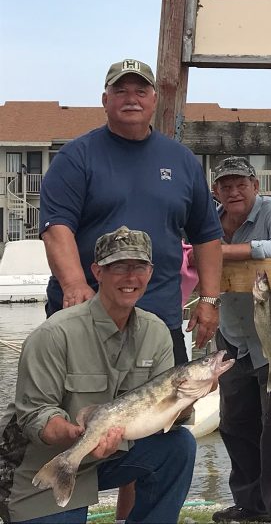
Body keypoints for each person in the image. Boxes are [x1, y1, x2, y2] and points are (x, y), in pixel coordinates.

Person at [0, 227, 197, 524]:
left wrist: (190, 396)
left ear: (150, 271)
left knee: (179, 446)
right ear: (97, 271)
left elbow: (159, 416)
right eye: (118, 266)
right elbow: (34, 416)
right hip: (42, 462)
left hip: (112, 455)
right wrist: (76, 434)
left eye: (139, 266)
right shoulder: (54, 334)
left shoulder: (157, 332)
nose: (131, 277)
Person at [38, 58, 224, 360]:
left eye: (140, 91)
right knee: (79, 407)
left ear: (154, 99)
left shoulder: (182, 161)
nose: (131, 99)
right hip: (86, 316)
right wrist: (73, 284)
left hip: (161, 319)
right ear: (105, 99)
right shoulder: (75, 158)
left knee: (168, 406)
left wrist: (209, 299)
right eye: (120, 90)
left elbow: (207, 235)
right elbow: (56, 228)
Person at [208, 157, 271, 524]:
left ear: (254, 184)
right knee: (235, 422)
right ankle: (251, 506)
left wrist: (223, 252)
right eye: (225, 185)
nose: (233, 191)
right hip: (232, 337)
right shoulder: (210, 218)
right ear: (216, 190)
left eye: (240, 183)